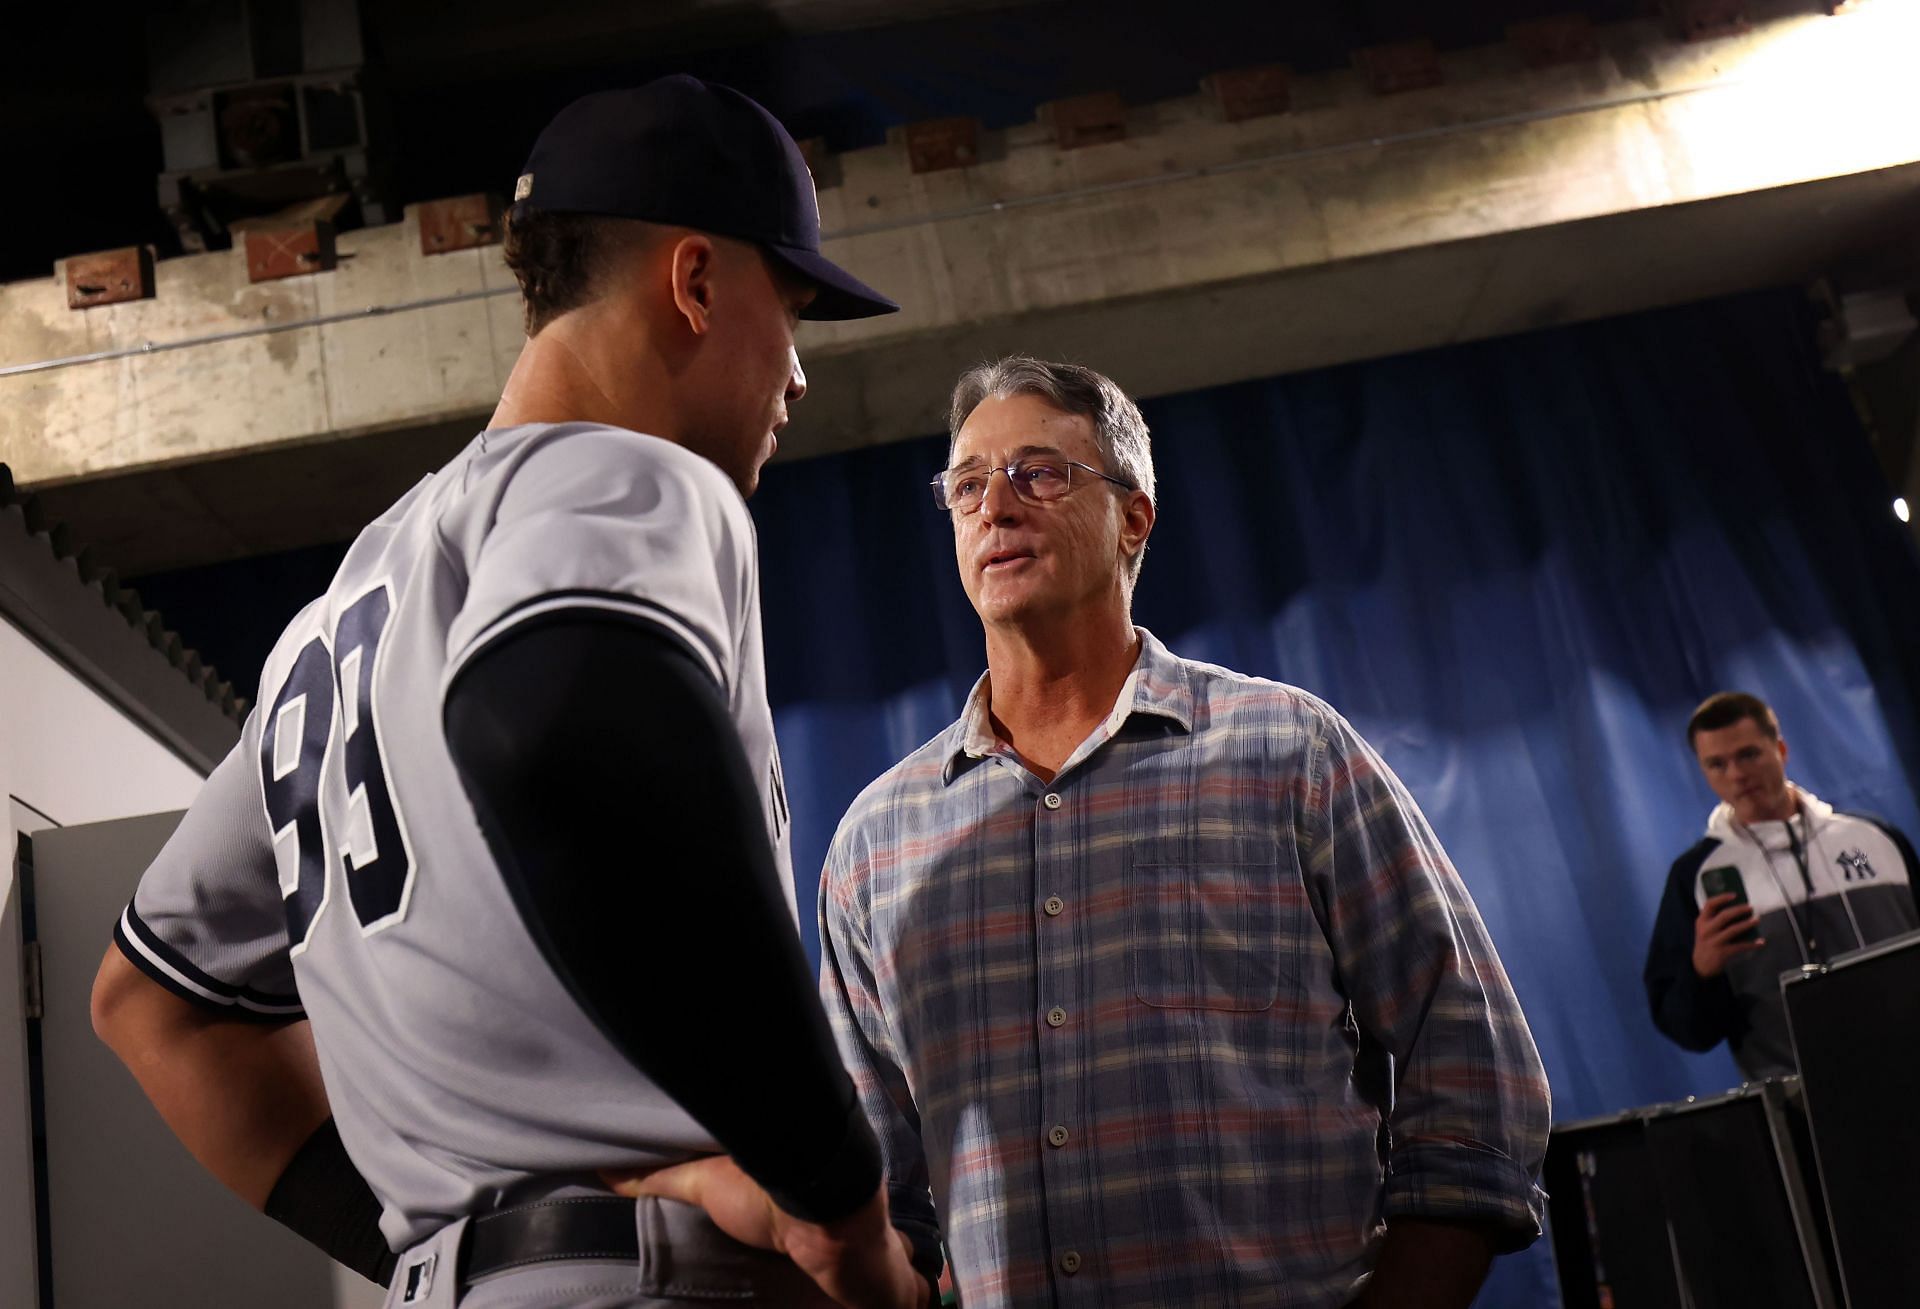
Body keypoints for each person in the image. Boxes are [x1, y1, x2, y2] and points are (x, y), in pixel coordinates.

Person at [88, 75, 934, 1309]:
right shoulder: (631, 471)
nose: (796, 374)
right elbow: (555, 715)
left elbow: (148, 1008)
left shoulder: (328, 630)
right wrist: (835, 1196)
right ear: (695, 283)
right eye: (791, 310)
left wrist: (465, 1254)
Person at [815, 356, 1551, 1306]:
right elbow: (874, 1197)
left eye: (1039, 472)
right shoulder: (877, 842)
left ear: (1133, 515)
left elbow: (1473, 1060)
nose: (994, 505)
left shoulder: (1289, 750)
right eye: (967, 484)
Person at [1644, 691, 1920, 1080]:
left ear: (1781, 748)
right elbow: (1688, 1031)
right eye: (1717, 764)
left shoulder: (1876, 839)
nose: (1736, 774)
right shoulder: (1696, 878)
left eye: (1748, 755)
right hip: (1808, 1106)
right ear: (1703, 772)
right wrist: (1700, 972)